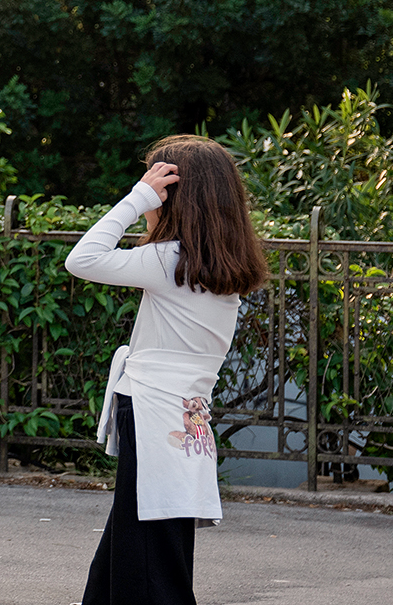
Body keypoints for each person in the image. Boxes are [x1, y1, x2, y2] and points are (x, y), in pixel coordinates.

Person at [65, 136, 271, 605]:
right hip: (187, 413)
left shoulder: (169, 260)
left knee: (148, 552)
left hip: (154, 409)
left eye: (158, 189)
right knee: (147, 538)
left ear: (175, 199)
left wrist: (136, 199)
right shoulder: (219, 268)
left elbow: (81, 259)